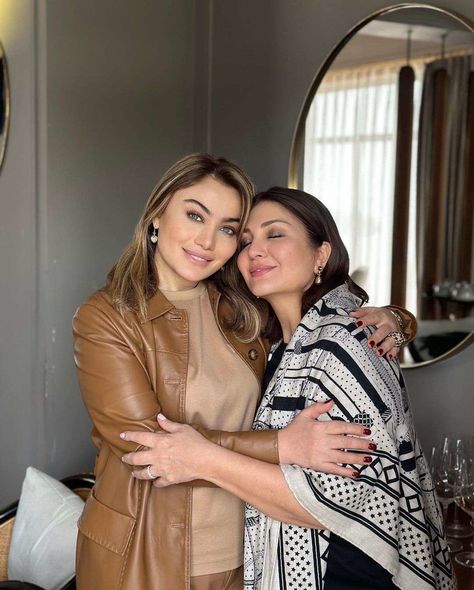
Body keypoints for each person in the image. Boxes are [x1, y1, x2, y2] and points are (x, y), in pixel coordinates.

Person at [73, 155, 415, 590]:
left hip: (250, 557)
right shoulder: (107, 316)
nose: (207, 241)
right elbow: (151, 448)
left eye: (228, 229)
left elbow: (312, 318)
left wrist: (396, 319)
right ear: (157, 215)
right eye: (195, 215)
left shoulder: (242, 308)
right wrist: (283, 445)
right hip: (145, 555)